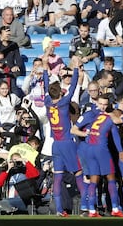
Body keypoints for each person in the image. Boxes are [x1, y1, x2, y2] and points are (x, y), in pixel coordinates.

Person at [42, 56, 85, 217]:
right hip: (67, 142)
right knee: (79, 173)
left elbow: (46, 86)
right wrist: (75, 68)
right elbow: (73, 86)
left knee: (58, 177)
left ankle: (59, 209)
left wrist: (46, 66)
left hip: (56, 144)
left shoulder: (47, 102)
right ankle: (86, 207)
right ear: (60, 92)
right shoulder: (64, 102)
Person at [0, 26, 24, 97]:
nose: (7, 35)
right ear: (0, 34)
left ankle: (14, 96)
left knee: (15, 74)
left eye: (8, 34)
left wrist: (17, 66)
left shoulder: (13, 44)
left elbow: (18, 59)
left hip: (11, 69)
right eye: (5, 33)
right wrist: (1, 39)